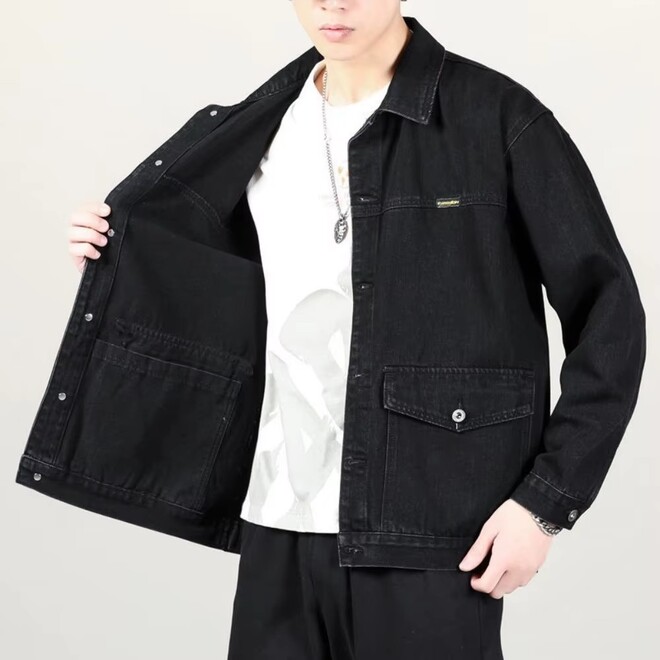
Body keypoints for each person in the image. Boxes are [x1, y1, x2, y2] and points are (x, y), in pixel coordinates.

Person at [59, 2, 645, 659]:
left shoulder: (498, 118)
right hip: (277, 518)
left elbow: (611, 315)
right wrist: (121, 252)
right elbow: (219, 293)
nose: (333, 3)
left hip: (430, 525)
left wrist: (544, 504)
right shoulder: (256, 126)